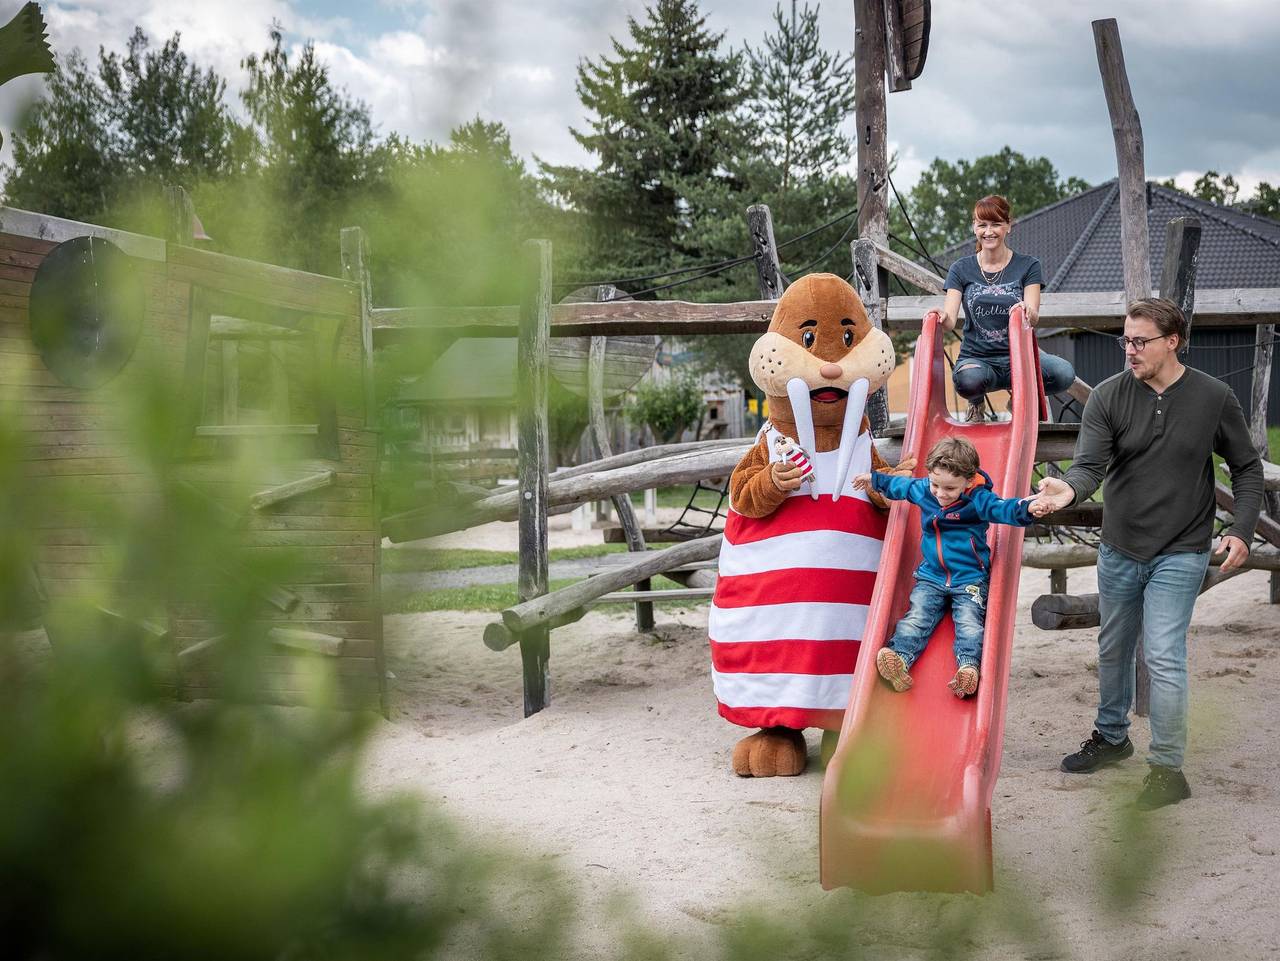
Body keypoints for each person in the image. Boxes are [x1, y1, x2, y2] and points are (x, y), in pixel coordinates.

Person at [1032, 297, 1264, 810]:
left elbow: (1247, 468)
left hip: (1181, 549)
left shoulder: (1213, 397)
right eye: (1125, 340)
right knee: (1113, 648)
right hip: (1120, 547)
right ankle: (1112, 737)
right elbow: (1088, 467)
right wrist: (1067, 491)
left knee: (1162, 654)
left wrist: (1242, 531)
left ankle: (1167, 770)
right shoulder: (1108, 396)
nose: (1129, 350)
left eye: (1140, 341)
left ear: (1172, 341)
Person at [853, 436, 1036, 697]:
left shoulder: (978, 500)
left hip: (969, 578)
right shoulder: (926, 490)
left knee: (969, 623)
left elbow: (1002, 509)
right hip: (931, 576)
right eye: (935, 484)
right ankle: (900, 661)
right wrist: (875, 480)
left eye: (950, 488)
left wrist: (1029, 508)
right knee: (916, 617)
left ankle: (968, 668)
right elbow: (902, 486)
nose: (940, 493)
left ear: (969, 481)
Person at [941, 194, 1076, 423]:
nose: (988, 231)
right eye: (982, 225)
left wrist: (1026, 310)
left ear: (1008, 226)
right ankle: (976, 401)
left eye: (996, 224)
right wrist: (939, 317)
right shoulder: (961, 268)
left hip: (1021, 358)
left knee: (1064, 374)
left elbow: (1033, 315)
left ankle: (1021, 398)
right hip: (978, 359)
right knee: (967, 381)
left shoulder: (1028, 265)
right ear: (974, 227)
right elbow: (950, 319)